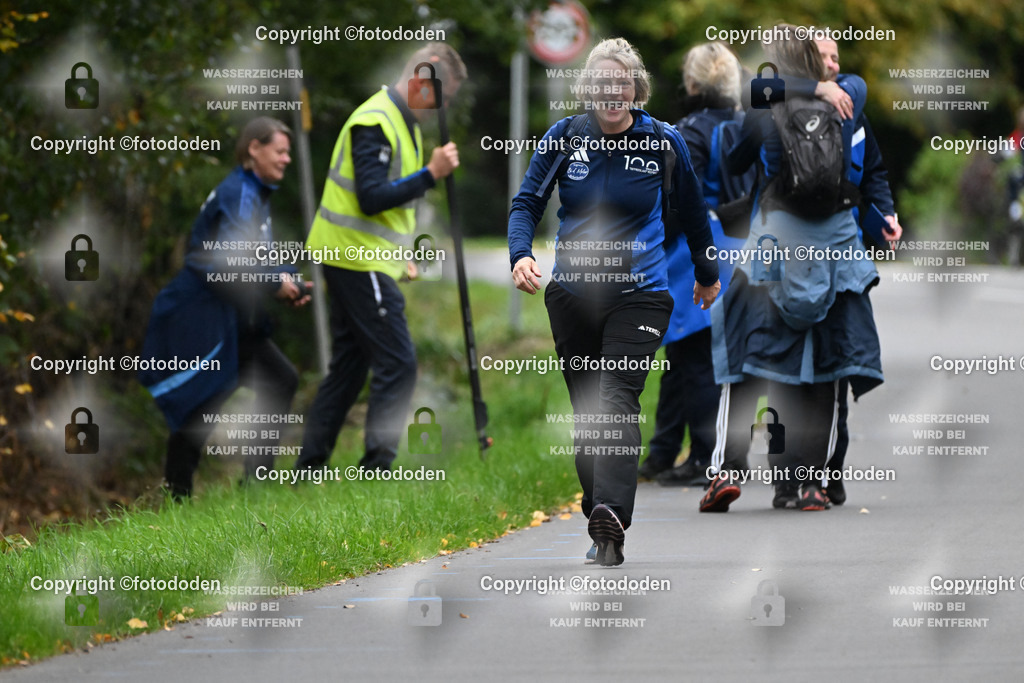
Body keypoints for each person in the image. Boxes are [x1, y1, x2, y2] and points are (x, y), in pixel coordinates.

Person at [508, 37, 720, 565]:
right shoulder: (565, 137)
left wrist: (707, 273)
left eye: (621, 83)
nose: (611, 92)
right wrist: (519, 254)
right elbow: (528, 201)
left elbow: (694, 214)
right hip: (573, 295)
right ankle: (598, 505)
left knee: (617, 397)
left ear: (636, 90)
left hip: (641, 295)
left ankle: (610, 515)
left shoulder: (663, 143)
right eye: (601, 83)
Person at [703, 25, 885, 512]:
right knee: (824, 366)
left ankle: (724, 468)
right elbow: (870, 166)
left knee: (744, 354)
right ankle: (808, 484)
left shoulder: (765, 104)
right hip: (836, 250)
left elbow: (733, 154)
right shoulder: (849, 98)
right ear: (817, 60)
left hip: (776, 245)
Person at [295, 43, 466, 473]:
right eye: (440, 98)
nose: (441, 107)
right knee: (399, 362)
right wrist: (431, 174)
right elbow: (370, 198)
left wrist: (401, 257)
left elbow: (385, 209)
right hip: (355, 258)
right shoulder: (374, 122)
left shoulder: (402, 122)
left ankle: (308, 469)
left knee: (349, 370)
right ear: (418, 83)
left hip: (364, 258)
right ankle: (376, 467)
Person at [139, 117, 311, 499]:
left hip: (232, 319)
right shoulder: (240, 193)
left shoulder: (254, 193)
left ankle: (253, 487)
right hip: (201, 315)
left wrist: (288, 279)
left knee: (278, 380)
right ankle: (177, 499)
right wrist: (275, 283)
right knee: (200, 405)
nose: (286, 160)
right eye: (280, 151)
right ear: (254, 148)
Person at [638, 42, 754, 487]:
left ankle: (706, 456)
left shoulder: (685, 132)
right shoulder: (746, 125)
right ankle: (667, 452)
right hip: (741, 247)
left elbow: (673, 202)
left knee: (693, 358)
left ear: (691, 83)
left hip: (696, 252)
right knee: (706, 357)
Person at [814, 36, 903, 506]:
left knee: (842, 360)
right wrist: (810, 87)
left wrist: (884, 214)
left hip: (845, 255)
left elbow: (873, 174)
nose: (833, 66)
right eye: (822, 59)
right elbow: (754, 90)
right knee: (795, 368)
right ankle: (795, 475)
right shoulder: (776, 104)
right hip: (792, 255)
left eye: (835, 58)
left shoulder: (853, 109)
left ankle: (831, 469)